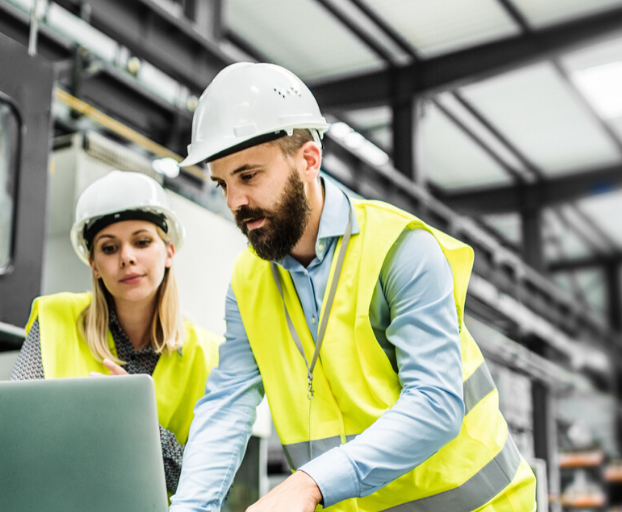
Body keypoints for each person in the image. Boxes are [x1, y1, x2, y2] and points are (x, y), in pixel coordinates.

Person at [169, 63, 537, 512]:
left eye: (248, 176)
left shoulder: (401, 249)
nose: (233, 201)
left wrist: (308, 485)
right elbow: (227, 405)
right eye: (223, 183)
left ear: (308, 159)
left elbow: (437, 403)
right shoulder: (248, 283)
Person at [10, 171, 221, 495]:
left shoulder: (208, 355)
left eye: (142, 241)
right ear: (94, 264)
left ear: (168, 252)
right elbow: (15, 433)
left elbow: (206, 483)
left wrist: (136, 421)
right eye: (109, 248)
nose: (127, 257)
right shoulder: (54, 320)